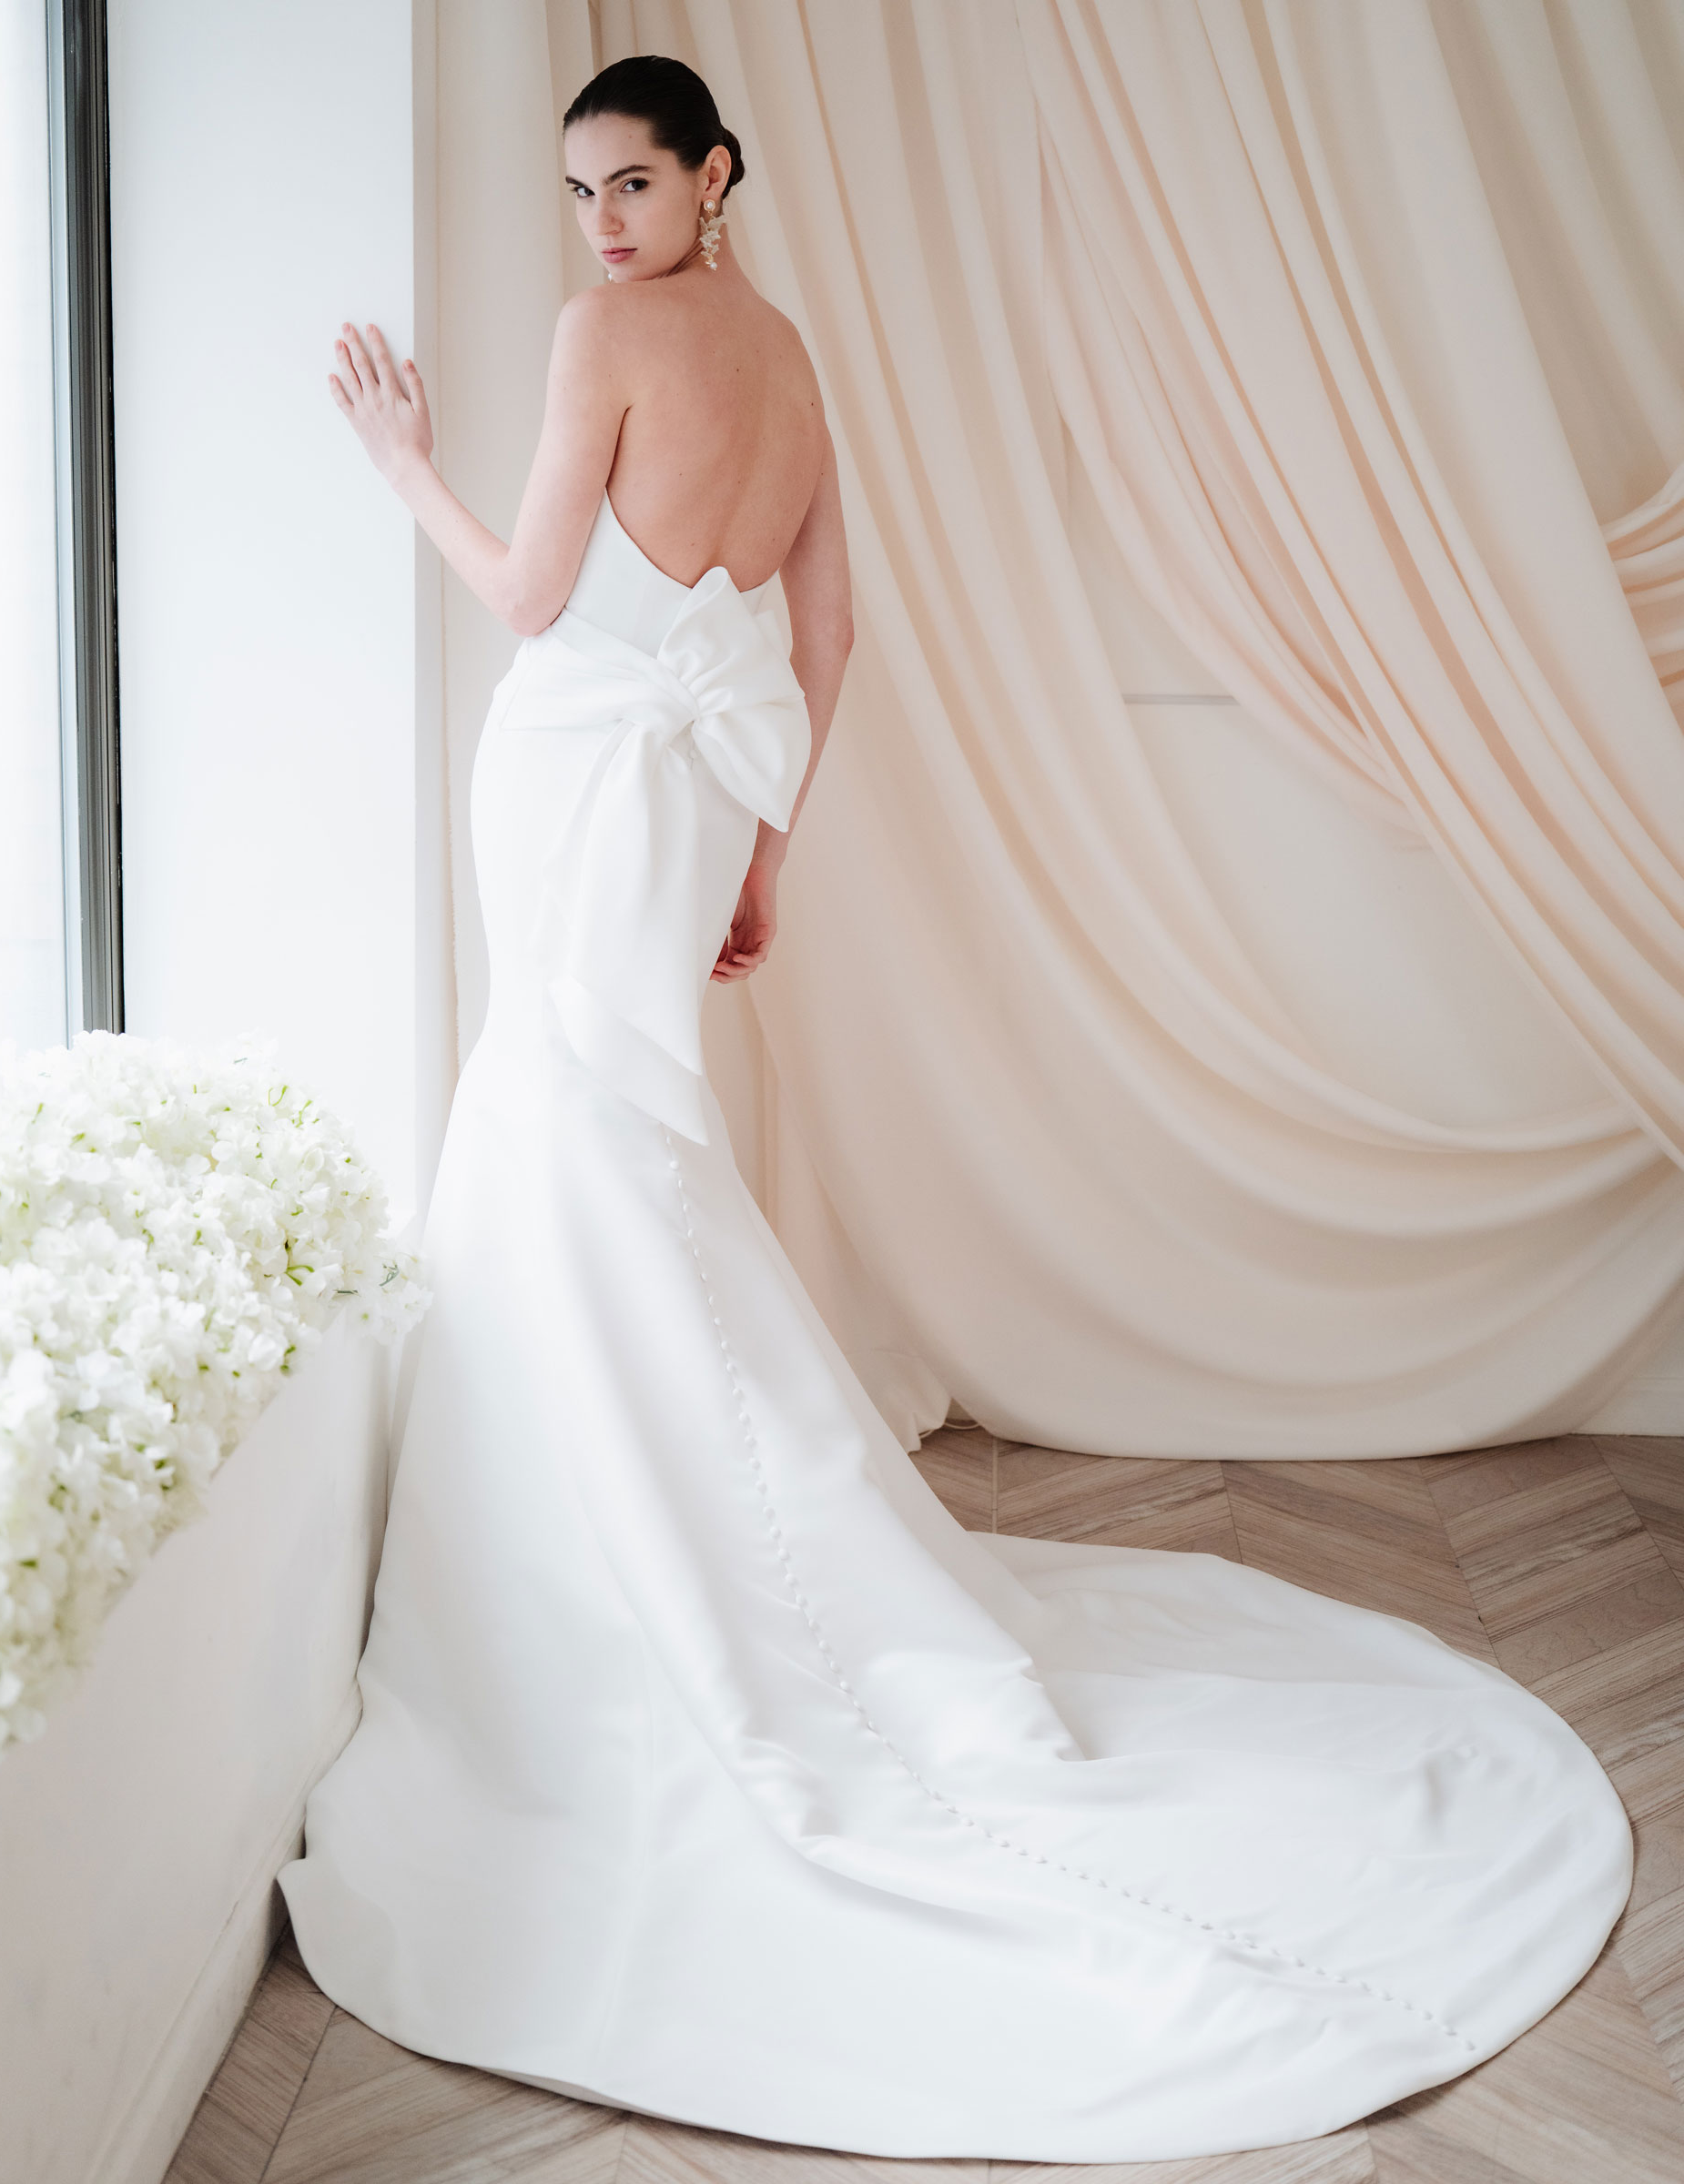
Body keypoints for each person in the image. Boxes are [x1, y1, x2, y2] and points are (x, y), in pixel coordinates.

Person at [279, 56, 1632, 2162]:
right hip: (690, 799)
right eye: (578, 193)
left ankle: (604, 1562)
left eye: (631, 183)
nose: (602, 223)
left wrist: (400, 466)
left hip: (578, 773)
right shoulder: (793, 359)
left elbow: (536, 599)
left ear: (714, 175)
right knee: (621, 1138)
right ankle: (677, 1522)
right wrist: (768, 848)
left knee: (568, 1126)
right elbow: (828, 630)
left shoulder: (603, 341)